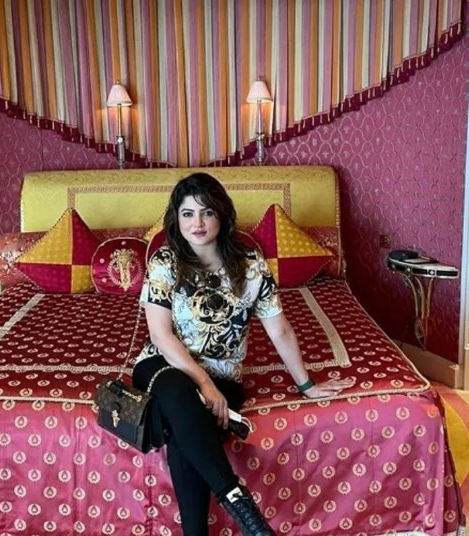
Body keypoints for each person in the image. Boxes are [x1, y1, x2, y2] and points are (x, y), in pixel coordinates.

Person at [132, 172, 355, 536]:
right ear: (176, 219)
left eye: (207, 212)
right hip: (163, 364)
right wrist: (204, 385)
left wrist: (307, 384)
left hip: (223, 374)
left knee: (182, 425)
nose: (197, 223)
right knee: (179, 392)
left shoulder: (251, 266)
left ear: (222, 215)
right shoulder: (165, 262)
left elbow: (279, 329)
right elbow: (160, 334)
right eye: (187, 214)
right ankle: (245, 510)